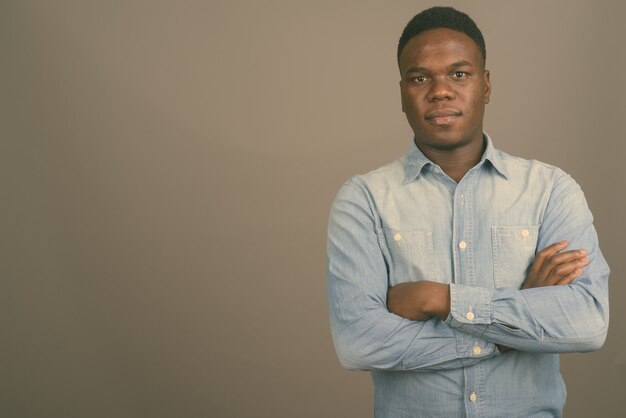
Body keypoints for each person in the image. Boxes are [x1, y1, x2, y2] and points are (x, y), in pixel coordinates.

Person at [326, 6, 609, 418]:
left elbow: (587, 322)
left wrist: (439, 299)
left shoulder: (551, 190)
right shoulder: (364, 200)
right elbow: (359, 342)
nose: (440, 91)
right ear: (402, 91)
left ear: (487, 84)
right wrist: (512, 328)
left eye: (459, 73)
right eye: (420, 77)